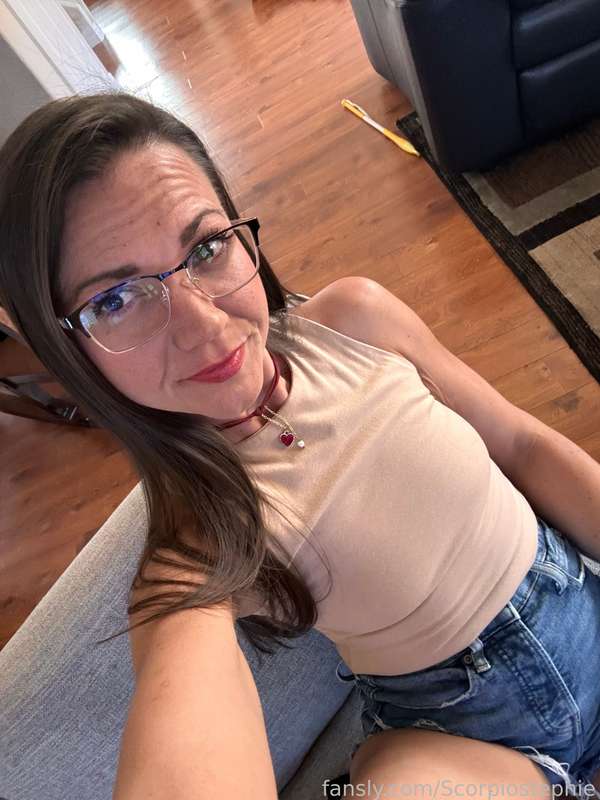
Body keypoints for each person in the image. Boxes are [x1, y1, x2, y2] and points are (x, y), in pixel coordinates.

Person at [1, 92, 599, 800]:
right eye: (115, 300)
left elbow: (521, 444)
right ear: (63, 349)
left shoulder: (355, 320)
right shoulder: (194, 545)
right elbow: (184, 701)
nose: (204, 326)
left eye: (206, 247)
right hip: (466, 745)